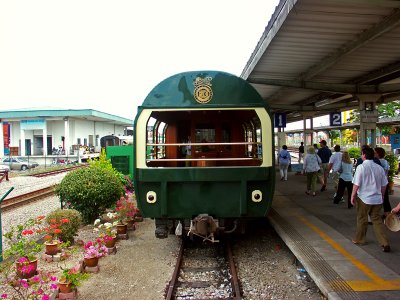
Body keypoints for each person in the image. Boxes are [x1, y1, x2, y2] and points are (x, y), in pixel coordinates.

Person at [350, 147, 390, 252]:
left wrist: (352, 196)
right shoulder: (379, 168)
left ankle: (360, 239)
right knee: (377, 220)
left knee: (362, 219)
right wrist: (381, 195)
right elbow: (384, 185)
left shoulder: (361, 167)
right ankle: (384, 243)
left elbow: (356, 184)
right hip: (377, 199)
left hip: (364, 198)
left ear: (364, 155)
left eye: (361, 154)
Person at [374, 147, 392, 216]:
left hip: (379, 183)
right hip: (385, 182)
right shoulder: (385, 161)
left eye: (375, 152)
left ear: (378, 154)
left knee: (378, 197)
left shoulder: (378, 162)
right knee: (385, 198)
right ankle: (387, 213)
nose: (373, 154)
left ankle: (375, 214)